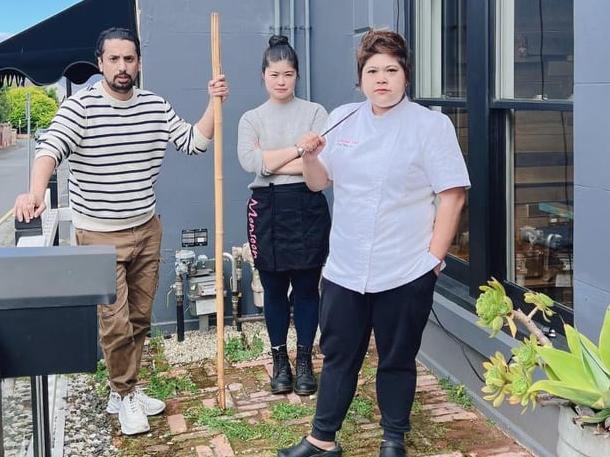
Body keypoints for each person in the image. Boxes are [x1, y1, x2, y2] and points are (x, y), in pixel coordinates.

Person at [12, 27, 228, 436]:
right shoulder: (81, 108)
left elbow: (194, 142)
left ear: (139, 63)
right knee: (114, 323)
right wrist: (35, 191)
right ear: (100, 64)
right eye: (114, 59)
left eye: (129, 59)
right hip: (98, 235)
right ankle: (126, 394)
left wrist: (213, 103)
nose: (122, 67)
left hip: (147, 229)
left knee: (139, 318)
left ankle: (121, 390)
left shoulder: (154, 106)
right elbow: (49, 149)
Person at [278, 30, 470, 457]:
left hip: (404, 268)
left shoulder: (431, 126)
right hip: (345, 266)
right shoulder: (343, 117)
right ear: (360, 78)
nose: (381, 79)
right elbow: (318, 183)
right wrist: (310, 157)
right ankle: (321, 439)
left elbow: (453, 195)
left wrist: (432, 261)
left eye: (391, 70)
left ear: (406, 76)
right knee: (339, 353)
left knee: (397, 358)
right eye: (372, 71)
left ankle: (393, 438)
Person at [238, 35, 330, 396]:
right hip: (267, 206)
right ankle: (279, 361)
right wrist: (296, 149)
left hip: (308, 203)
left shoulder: (315, 113)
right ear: (263, 75)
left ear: (296, 76)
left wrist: (272, 159)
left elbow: (319, 168)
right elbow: (252, 164)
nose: (281, 81)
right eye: (275, 74)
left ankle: (305, 361)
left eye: (288, 74)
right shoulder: (251, 118)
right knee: (274, 287)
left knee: (307, 287)